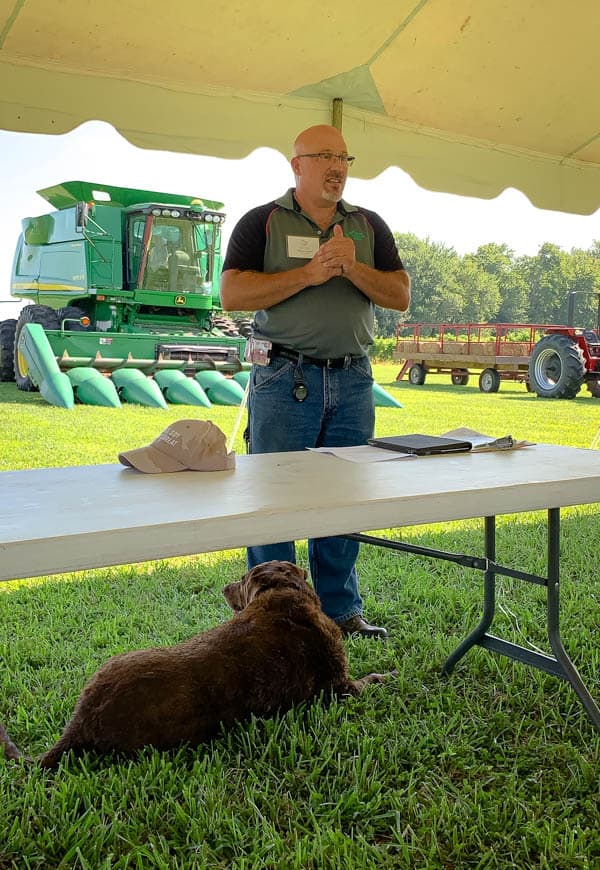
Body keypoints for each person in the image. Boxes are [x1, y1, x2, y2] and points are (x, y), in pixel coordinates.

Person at [220, 124, 410, 638]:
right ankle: (273, 620)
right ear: (296, 165)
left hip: (352, 381)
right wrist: (309, 273)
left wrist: (351, 269)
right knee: (273, 499)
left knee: (344, 500)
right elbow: (232, 294)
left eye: (344, 157)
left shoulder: (368, 226)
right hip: (284, 377)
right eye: (325, 156)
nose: (338, 167)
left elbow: (399, 295)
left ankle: (341, 613)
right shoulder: (261, 222)